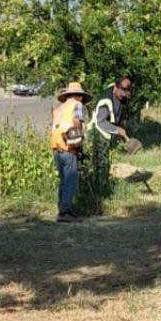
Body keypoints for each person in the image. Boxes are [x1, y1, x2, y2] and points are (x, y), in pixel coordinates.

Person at [50, 81, 91, 223]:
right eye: (81, 96)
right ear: (78, 95)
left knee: (63, 181)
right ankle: (66, 212)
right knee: (70, 181)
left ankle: (62, 209)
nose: (82, 99)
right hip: (68, 146)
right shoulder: (76, 104)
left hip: (56, 147)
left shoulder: (60, 108)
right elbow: (76, 121)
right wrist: (79, 138)